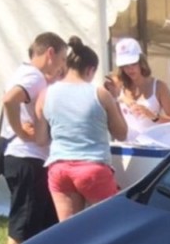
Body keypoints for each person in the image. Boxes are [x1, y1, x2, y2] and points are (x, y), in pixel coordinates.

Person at [34, 37, 127, 222]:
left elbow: (41, 139)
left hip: (59, 167)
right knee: (108, 227)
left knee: (67, 231)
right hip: (93, 166)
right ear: (90, 70)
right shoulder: (100, 94)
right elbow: (121, 133)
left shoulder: (46, 94)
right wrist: (116, 98)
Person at [1, 32, 67, 244]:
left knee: (39, 222)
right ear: (50, 53)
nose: (62, 66)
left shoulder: (26, 73)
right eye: (62, 58)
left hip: (26, 158)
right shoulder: (34, 76)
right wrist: (20, 132)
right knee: (23, 227)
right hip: (27, 158)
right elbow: (10, 100)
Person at [113, 38, 170, 140]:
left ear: (141, 62)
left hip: (150, 150)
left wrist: (153, 116)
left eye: (133, 63)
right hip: (124, 149)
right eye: (125, 65)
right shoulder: (118, 86)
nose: (130, 69)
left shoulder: (159, 87)